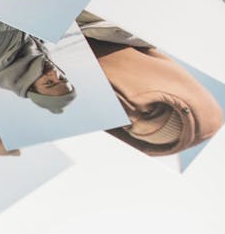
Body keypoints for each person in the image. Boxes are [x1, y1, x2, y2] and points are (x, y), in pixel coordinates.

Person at [77, 11, 223, 155]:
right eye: (150, 111)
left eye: (127, 125)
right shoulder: (116, 13)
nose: (128, 113)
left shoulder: (67, 92)